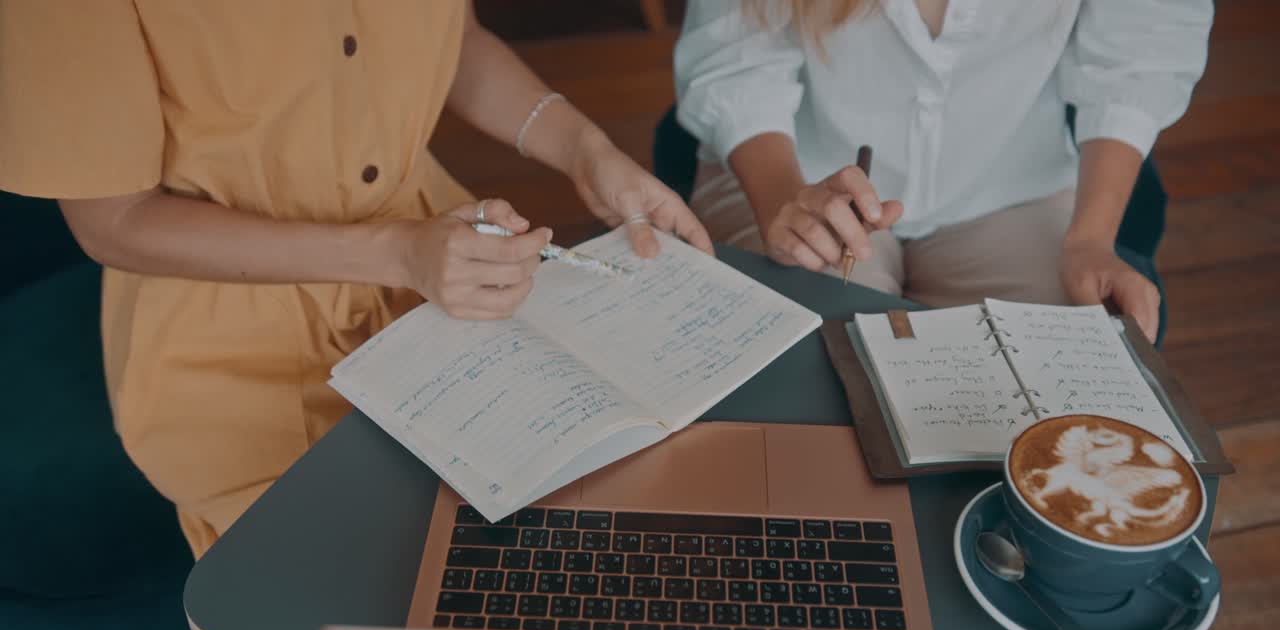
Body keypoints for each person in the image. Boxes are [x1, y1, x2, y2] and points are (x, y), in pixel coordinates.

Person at [0, 1, 711, 559]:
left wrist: (586, 150)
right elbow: (113, 222)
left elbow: (452, 41)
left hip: (441, 286)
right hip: (229, 354)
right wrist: (396, 255)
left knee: (558, 562)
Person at [674, 0, 1211, 342]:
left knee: (1057, 381)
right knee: (803, 365)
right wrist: (783, 206)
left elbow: (1139, 53)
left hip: (1010, 181)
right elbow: (737, 62)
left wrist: (1091, 239)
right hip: (798, 172)